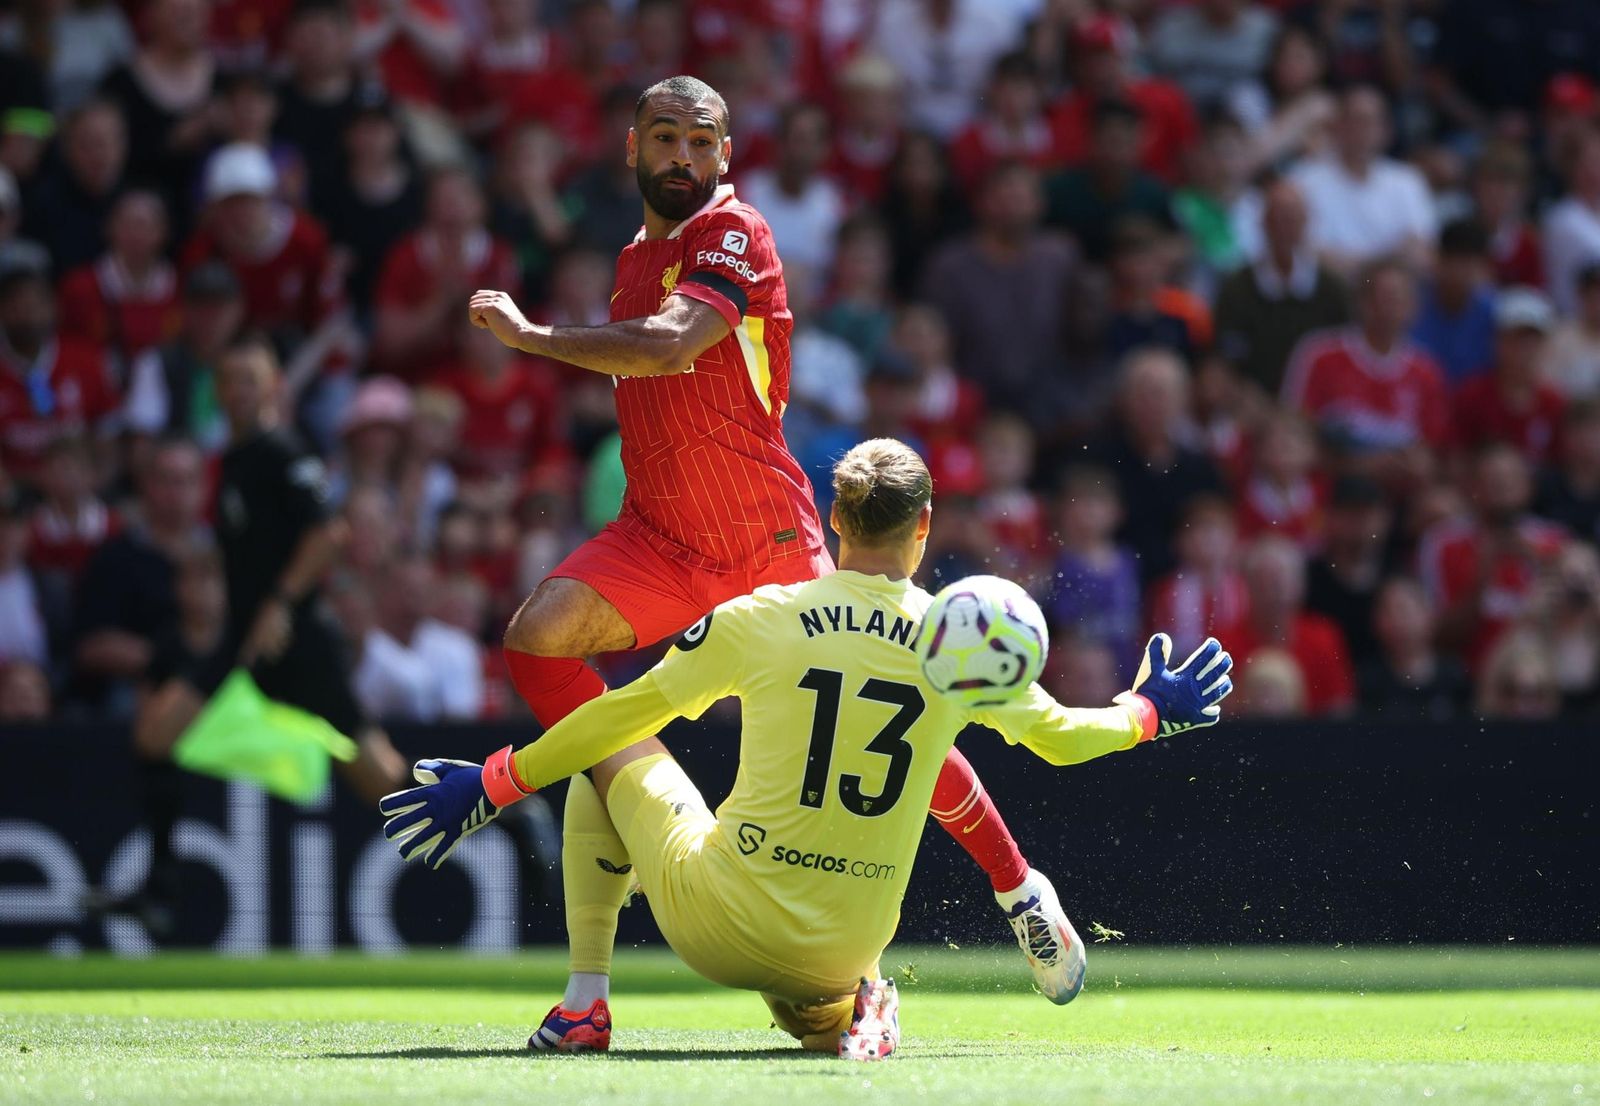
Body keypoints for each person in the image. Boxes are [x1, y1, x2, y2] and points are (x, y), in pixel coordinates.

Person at [466, 75, 1071, 1000]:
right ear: (631, 148)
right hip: (660, 534)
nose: (682, 158)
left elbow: (672, 344)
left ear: (726, 155)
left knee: (878, 712)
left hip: (762, 535)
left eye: (701, 142)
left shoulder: (736, 233)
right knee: (537, 641)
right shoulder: (634, 255)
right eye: (664, 139)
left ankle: (1016, 889)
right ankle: (644, 791)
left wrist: (533, 335)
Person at [379, 439, 1234, 1058]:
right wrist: (1150, 710)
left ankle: (584, 1005)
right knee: (812, 981)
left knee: (614, 752)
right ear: (925, 527)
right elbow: (1062, 741)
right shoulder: (953, 645)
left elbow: (611, 715)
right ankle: (861, 999)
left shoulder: (763, 619)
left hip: (712, 928)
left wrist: (499, 781)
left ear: (832, 519)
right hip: (848, 941)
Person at [91, 333, 410, 936]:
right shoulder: (233, 460)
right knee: (156, 735)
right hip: (243, 642)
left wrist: (279, 604)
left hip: (294, 641)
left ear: (272, 388)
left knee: (382, 782)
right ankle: (160, 892)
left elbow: (327, 535)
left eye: (249, 379)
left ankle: (504, 811)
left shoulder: (281, 451)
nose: (237, 391)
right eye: (228, 380)